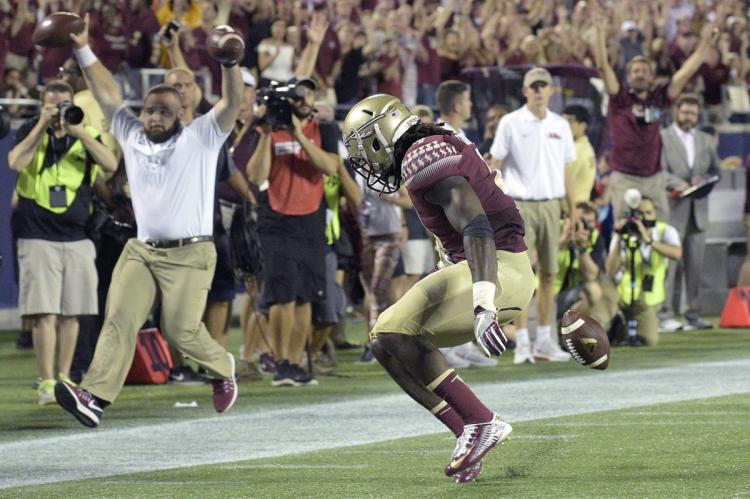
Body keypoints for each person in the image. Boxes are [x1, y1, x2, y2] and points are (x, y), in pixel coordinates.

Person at [53, 15, 243, 427]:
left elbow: (231, 104)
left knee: (180, 332)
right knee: (118, 318)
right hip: (142, 249)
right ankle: (94, 397)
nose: (154, 116)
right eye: (149, 110)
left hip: (191, 253)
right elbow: (106, 93)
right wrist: (83, 48)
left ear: (179, 114)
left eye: (164, 111)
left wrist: (230, 64)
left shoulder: (200, 138)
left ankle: (222, 367)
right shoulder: (133, 134)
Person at [343, 94, 533, 483]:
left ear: (382, 135)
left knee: (392, 328)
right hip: (489, 269)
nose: (366, 160)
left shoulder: (421, 154)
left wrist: (483, 303)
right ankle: (468, 432)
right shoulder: (429, 147)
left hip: (497, 270)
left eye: (366, 147)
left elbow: (475, 225)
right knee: (385, 341)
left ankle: (481, 422)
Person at [8, 79, 118, 405]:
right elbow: (15, 162)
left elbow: (110, 165)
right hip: (37, 233)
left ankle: (65, 377)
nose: (58, 111)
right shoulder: (31, 129)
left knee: (73, 312)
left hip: (78, 235)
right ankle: (45, 381)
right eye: (51, 105)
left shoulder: (84, 134)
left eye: (63, 104)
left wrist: (80, 131)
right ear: (42, 104)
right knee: (45, 313)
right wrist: (41, 122)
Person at [246, 76, 339, 387]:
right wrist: (267, 133)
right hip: (275, 219)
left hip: (310, 217)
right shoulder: (268, 129)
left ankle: (296, 362)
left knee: (305, 296)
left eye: (308, 96)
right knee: (282, 294)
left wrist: (298, 134)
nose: (303, 101)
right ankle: (282, 362)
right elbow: (256, 174)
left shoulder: (323, 129)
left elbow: (330, 167)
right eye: (298, 96)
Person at [588, 11, 717, 220]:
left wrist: (705, 44)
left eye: (644, 71)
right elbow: (603, 67)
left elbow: (685, 73)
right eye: (635, 71)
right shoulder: (619, 97)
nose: (640, 74)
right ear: (629, 77)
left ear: (651, 76)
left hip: (654, 177)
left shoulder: (659, 97)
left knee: (661, 230)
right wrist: (600, 34)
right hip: (624, 176)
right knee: (624, 230)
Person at [489, 67, 578, 365]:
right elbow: (495, 164)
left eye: (544, 85)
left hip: (552, 205)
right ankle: (523, 342)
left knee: (550, 273)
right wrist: (496, 203)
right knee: (523, 276)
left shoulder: (561, 125)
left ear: (551, 90)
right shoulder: (511, 122)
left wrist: (573, 209)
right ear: (525, 91)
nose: (539, 90)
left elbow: (567, 171)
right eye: (533, 86)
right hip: (521, 205)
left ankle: (544, 340)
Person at [436, 79, 498, 369]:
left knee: (466, 280)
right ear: (458, 104)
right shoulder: (439, 135)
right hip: (451, 220)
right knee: (453, 280)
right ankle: (445, 344)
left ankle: (461, 343)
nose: (471, 105)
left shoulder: (458, 134)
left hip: (466, 220)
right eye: (468, 100)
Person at [660, 93, 720, 331]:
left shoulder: (706, 140)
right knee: (668, 266)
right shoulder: (663, 138)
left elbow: (718, 170)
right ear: (676, 111)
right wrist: (677, 182)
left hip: (699, 211)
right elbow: (659, 171)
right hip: (673, 209)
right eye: (685, 112)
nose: (689, 117)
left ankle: (692, 315)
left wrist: (704, 178)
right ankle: (664, 315)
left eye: (693, 113)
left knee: (695, 266)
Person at [605, 196, 682, 346]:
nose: (645, 217)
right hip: (620, 296)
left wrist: (650, 241)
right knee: (601, 322)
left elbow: (676, 254)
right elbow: (610, 270)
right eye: (640, 214)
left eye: (649, 213)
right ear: (633, 216)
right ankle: (613, 324)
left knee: (649, 339)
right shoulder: (623, 233)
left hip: (646, 299)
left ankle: (622, 329)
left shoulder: (665, 231)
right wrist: (620, 237)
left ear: (655, 214)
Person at [561, 105, 596, 206]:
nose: (564, 125)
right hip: (581, 208)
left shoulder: (575, 150)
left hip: (571, 210)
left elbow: (564, 182)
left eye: (570, 121)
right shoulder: (587, 148)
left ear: (583, 126)